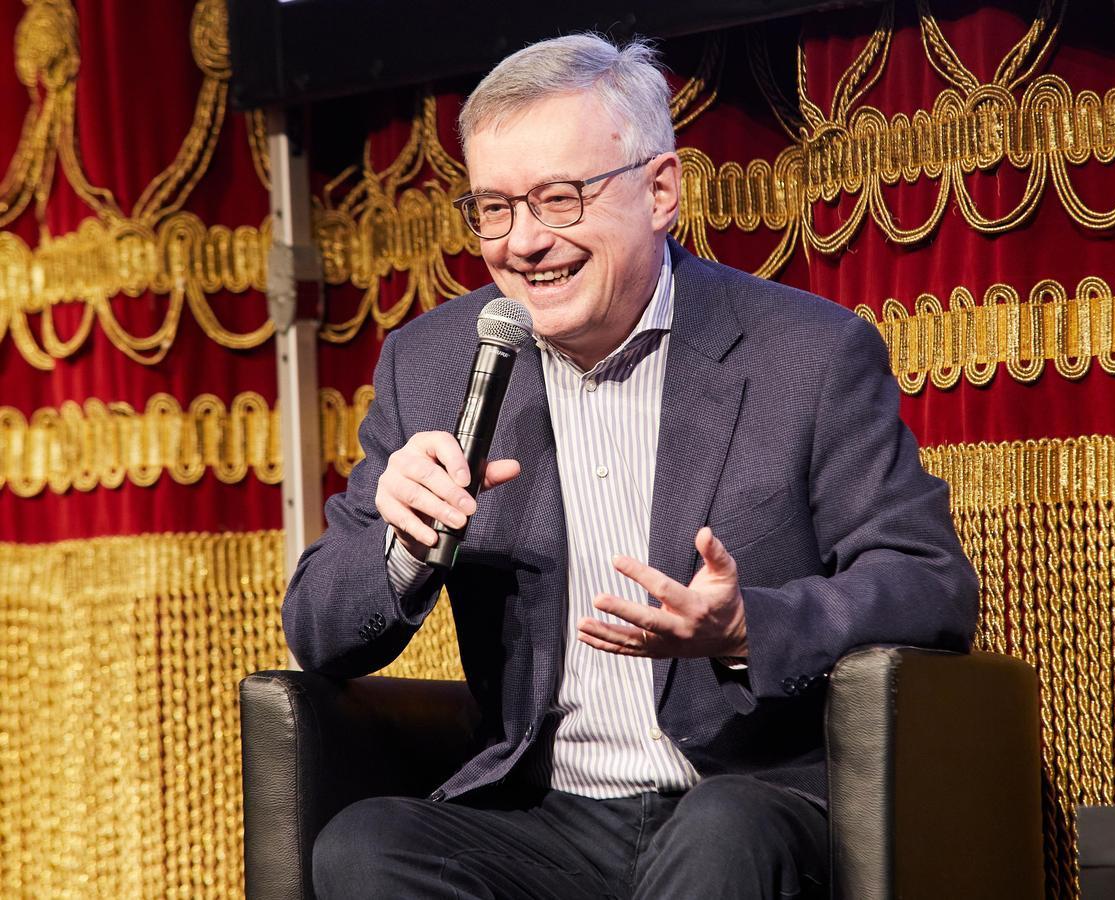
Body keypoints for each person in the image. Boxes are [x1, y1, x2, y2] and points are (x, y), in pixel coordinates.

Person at [283, 32, 978, 900]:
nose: (523, 243)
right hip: (546, 817)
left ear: (660, 190)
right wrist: (403, 544)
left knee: (722, 835)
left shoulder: (808, 354)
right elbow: (318, 627)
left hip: (747, 794)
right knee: (364, 846)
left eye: (560, 199)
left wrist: (747, 628)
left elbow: (927, 586)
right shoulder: (432, 365)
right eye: (494, 209)